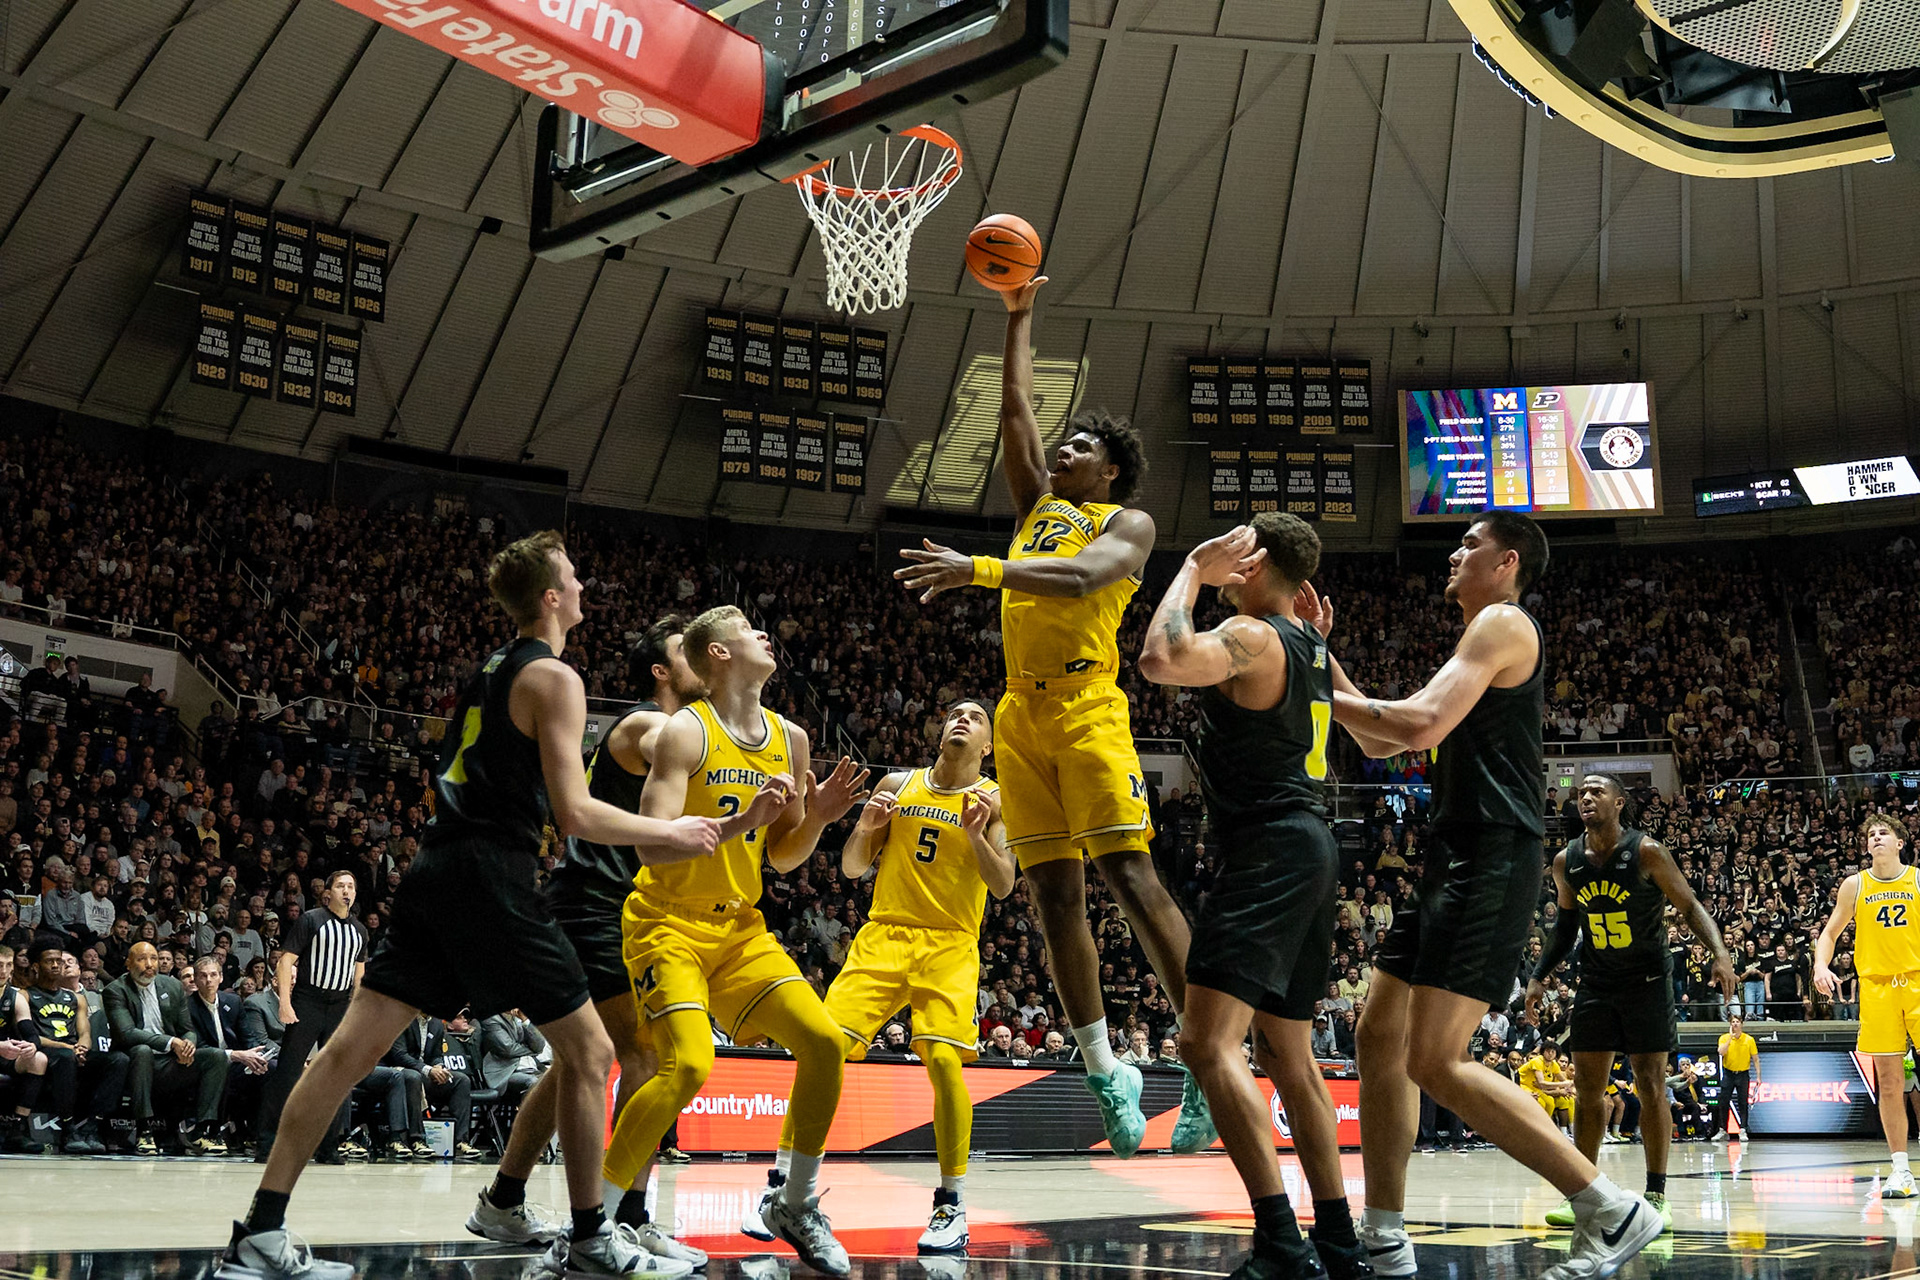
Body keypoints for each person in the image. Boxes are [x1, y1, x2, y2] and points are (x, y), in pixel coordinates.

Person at [218, 530, 727, 1280]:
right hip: (492, 872)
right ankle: (592, 1236)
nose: (583, 585)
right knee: (593, 1054)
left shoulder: (491, 666)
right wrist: (674, 830)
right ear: (551, 595)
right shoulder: (556, 677)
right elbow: (576, 814)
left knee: (345, 1056)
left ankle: (261, 1231)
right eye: (574, 576)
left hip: (435, 864)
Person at [894, 274, 1210, 1159]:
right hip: (1021, 716)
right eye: (1062, 442)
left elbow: (1076, 580)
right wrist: (1019, 318)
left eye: (1080, 445)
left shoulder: (1129, 523)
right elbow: (1016, 420)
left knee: (1131, 881)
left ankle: (1208, 1058)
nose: (1061, 449)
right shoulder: (1039, 509)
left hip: (1085, 707)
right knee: (1051, 896)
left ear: (1108, 468)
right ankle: (1107, 1067)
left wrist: (980, 570)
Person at [1330, 513, 1660, 1279]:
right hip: (1454, 852)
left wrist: (1309, 672)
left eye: (1469, 545)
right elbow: (1382, 738)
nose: (1453, 553)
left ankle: (1611, 1209)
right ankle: (1384, 1239)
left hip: (1492, 853)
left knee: (1436, 1061)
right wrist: (1326, 664)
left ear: (1507, 563)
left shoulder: (1505, 624)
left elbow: (1415, 725)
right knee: (1378, 1037)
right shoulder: (1474, 643)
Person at [601, 605, 870, 1279]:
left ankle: (794, 1201)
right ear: (718, 654)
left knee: (824, 1043)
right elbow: (651, 847)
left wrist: (821, 820)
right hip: (666, 921)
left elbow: (782, 857)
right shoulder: (683, 734)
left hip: (740, 928)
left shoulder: (793, 739)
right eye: (749, 630)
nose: (764, 635)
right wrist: (743, 818)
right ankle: (594, 1222)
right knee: (686, 1066)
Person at [1136, 514, 1365, 1279]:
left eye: (1240, 548)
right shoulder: (1308, 644)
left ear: (1257, 560)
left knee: (1204, 1043)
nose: (1230, 557)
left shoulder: (1258, 636)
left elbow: (1161, 657)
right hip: (1311, 842)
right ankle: (1337, 1243)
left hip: (1269, 844)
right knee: (1287, 1053)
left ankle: (1279, 1241)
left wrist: (1195, 570)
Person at [481, 615, 706, 1266]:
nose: (696, 658)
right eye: (683, 653)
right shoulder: (645, 725)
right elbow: (694, 754)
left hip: (609, 905)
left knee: (582, 1063)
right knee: (642, 1055)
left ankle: (502, 1198)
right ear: (661, 673)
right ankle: (626, 1219)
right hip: (595, 905)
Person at [788, 699, 1013, 1254]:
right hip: (885, 933)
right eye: (955, 713)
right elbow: (852, 867)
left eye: (976, 717)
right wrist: (864, 827)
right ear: (940, 730)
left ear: (987, 745)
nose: (962, 718)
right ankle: (783, 1189)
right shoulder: (898, 782)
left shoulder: (997, 798)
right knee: (825, 1046)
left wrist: (980, 835)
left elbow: (1004, 884)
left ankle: (951, 1206)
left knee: (941, 1059)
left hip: (950, 943)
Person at [1529, 773, 1736, 1232]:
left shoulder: (1646, 851)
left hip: (1646, 981)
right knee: (1586, 1089)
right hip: (1597, 983)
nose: (1584, 797)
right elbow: (1565, 928)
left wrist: (1720, 954)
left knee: (1650, 1083)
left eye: (1596, 791)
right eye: (1580, 792)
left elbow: (1690, 906)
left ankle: (1656, 1193)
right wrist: (1539, 976)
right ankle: (1583, 1191)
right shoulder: (1566, 861)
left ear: (1619, 802)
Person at [1815, 811, 1917, 1197]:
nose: (1876, 838)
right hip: (1877, 989)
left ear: (1899, 842)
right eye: (1871, 834)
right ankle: (1901, 1171)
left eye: (1884, 833)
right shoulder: (1855, 885)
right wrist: (1821, 965)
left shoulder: (1917, 879)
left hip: (1918, 981)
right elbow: (1829, 933)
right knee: (1889, 1082)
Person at [255, 870, 368, 1161]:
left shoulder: (360, 931)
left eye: (351, 886)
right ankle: (268, 1142)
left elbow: (359, 978)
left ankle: (327, 1146)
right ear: (328, 892)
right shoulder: (311, 919)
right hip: (308, 1001)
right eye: (341, 885)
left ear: (355, 894)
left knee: (335, 1078)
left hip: (340, 1006)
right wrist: (285, 1002)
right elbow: (286, 960)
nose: (346, 890)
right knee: (288, 1074)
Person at [103, 940, 229, 1155]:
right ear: (128, 963)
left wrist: (188, 1044)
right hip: (135, 1061)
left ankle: (202, 1131)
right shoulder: (115, 990)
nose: (149, 964)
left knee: (216, 1056)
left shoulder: (171, 986)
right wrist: (171, 1042)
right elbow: (127, 1033)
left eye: (153, 958)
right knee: (142, 1050)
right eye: (142, 959)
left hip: (170, 1062)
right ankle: (144, 1130)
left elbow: (187, 1028)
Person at [25, 941, 124, 1153]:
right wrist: (70, 1049)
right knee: (63, 1056)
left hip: (73, 1052)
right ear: (35, 966)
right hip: (47, 1054)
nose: (55, 966)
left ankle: (92, 1126)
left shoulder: (75, 998)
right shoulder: (25, 995)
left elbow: (85, 1033)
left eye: (59, 961)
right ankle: (68, 1127)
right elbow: (32, 1037)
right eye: (49, 961)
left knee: (119, 1060)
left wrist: (82, 1048)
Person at [1711, 1015, 1759, 1142]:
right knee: (1723, 1101)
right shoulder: (1724, 1038)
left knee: (1743, 1102)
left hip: (1743, 1074)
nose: (1735, 1024)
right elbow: (1721, 1052)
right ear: (1730, 1024)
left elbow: (1755, 1059)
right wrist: (1730, 1038)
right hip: (1729, 1073)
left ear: (1742, 1024)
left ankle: (1743, 1129)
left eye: (1738, 1022)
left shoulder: (1749, 1039)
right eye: (1733, 1022)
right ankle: (1723, 1129)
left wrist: (1759, 1076)